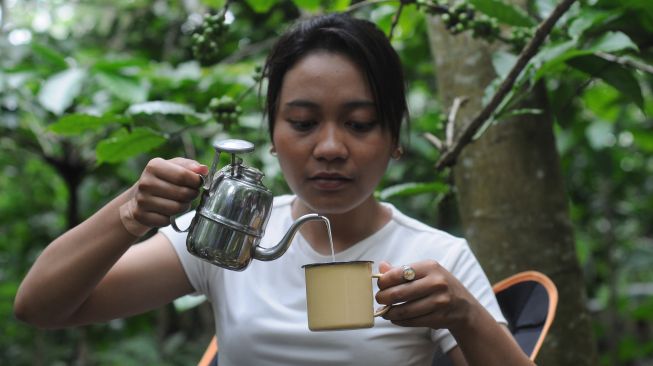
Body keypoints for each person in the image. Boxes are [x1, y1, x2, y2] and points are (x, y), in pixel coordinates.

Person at [14, 13, 534, 366]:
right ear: (272, 135)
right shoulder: (228, 237)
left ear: (394, 138)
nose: (330, 147)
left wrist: (462, 314)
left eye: (358, 124)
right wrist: (130, 210)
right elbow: (41, 308)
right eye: (304, 123)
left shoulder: (436, 258)